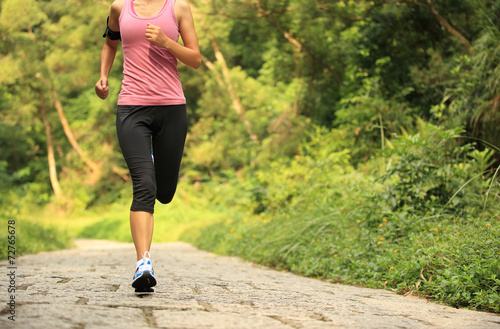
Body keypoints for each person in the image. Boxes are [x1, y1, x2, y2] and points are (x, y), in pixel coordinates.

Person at [95, 0, 201, 292]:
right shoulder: (120, 8)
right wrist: (103, 76)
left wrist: (167, 41)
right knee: (144, 186)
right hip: (131, 107)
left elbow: (195, 59)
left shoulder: (178, 8)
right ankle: (143, 263)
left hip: (171, 109)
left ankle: (152, 161)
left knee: (164, 193)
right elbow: (109, 45)